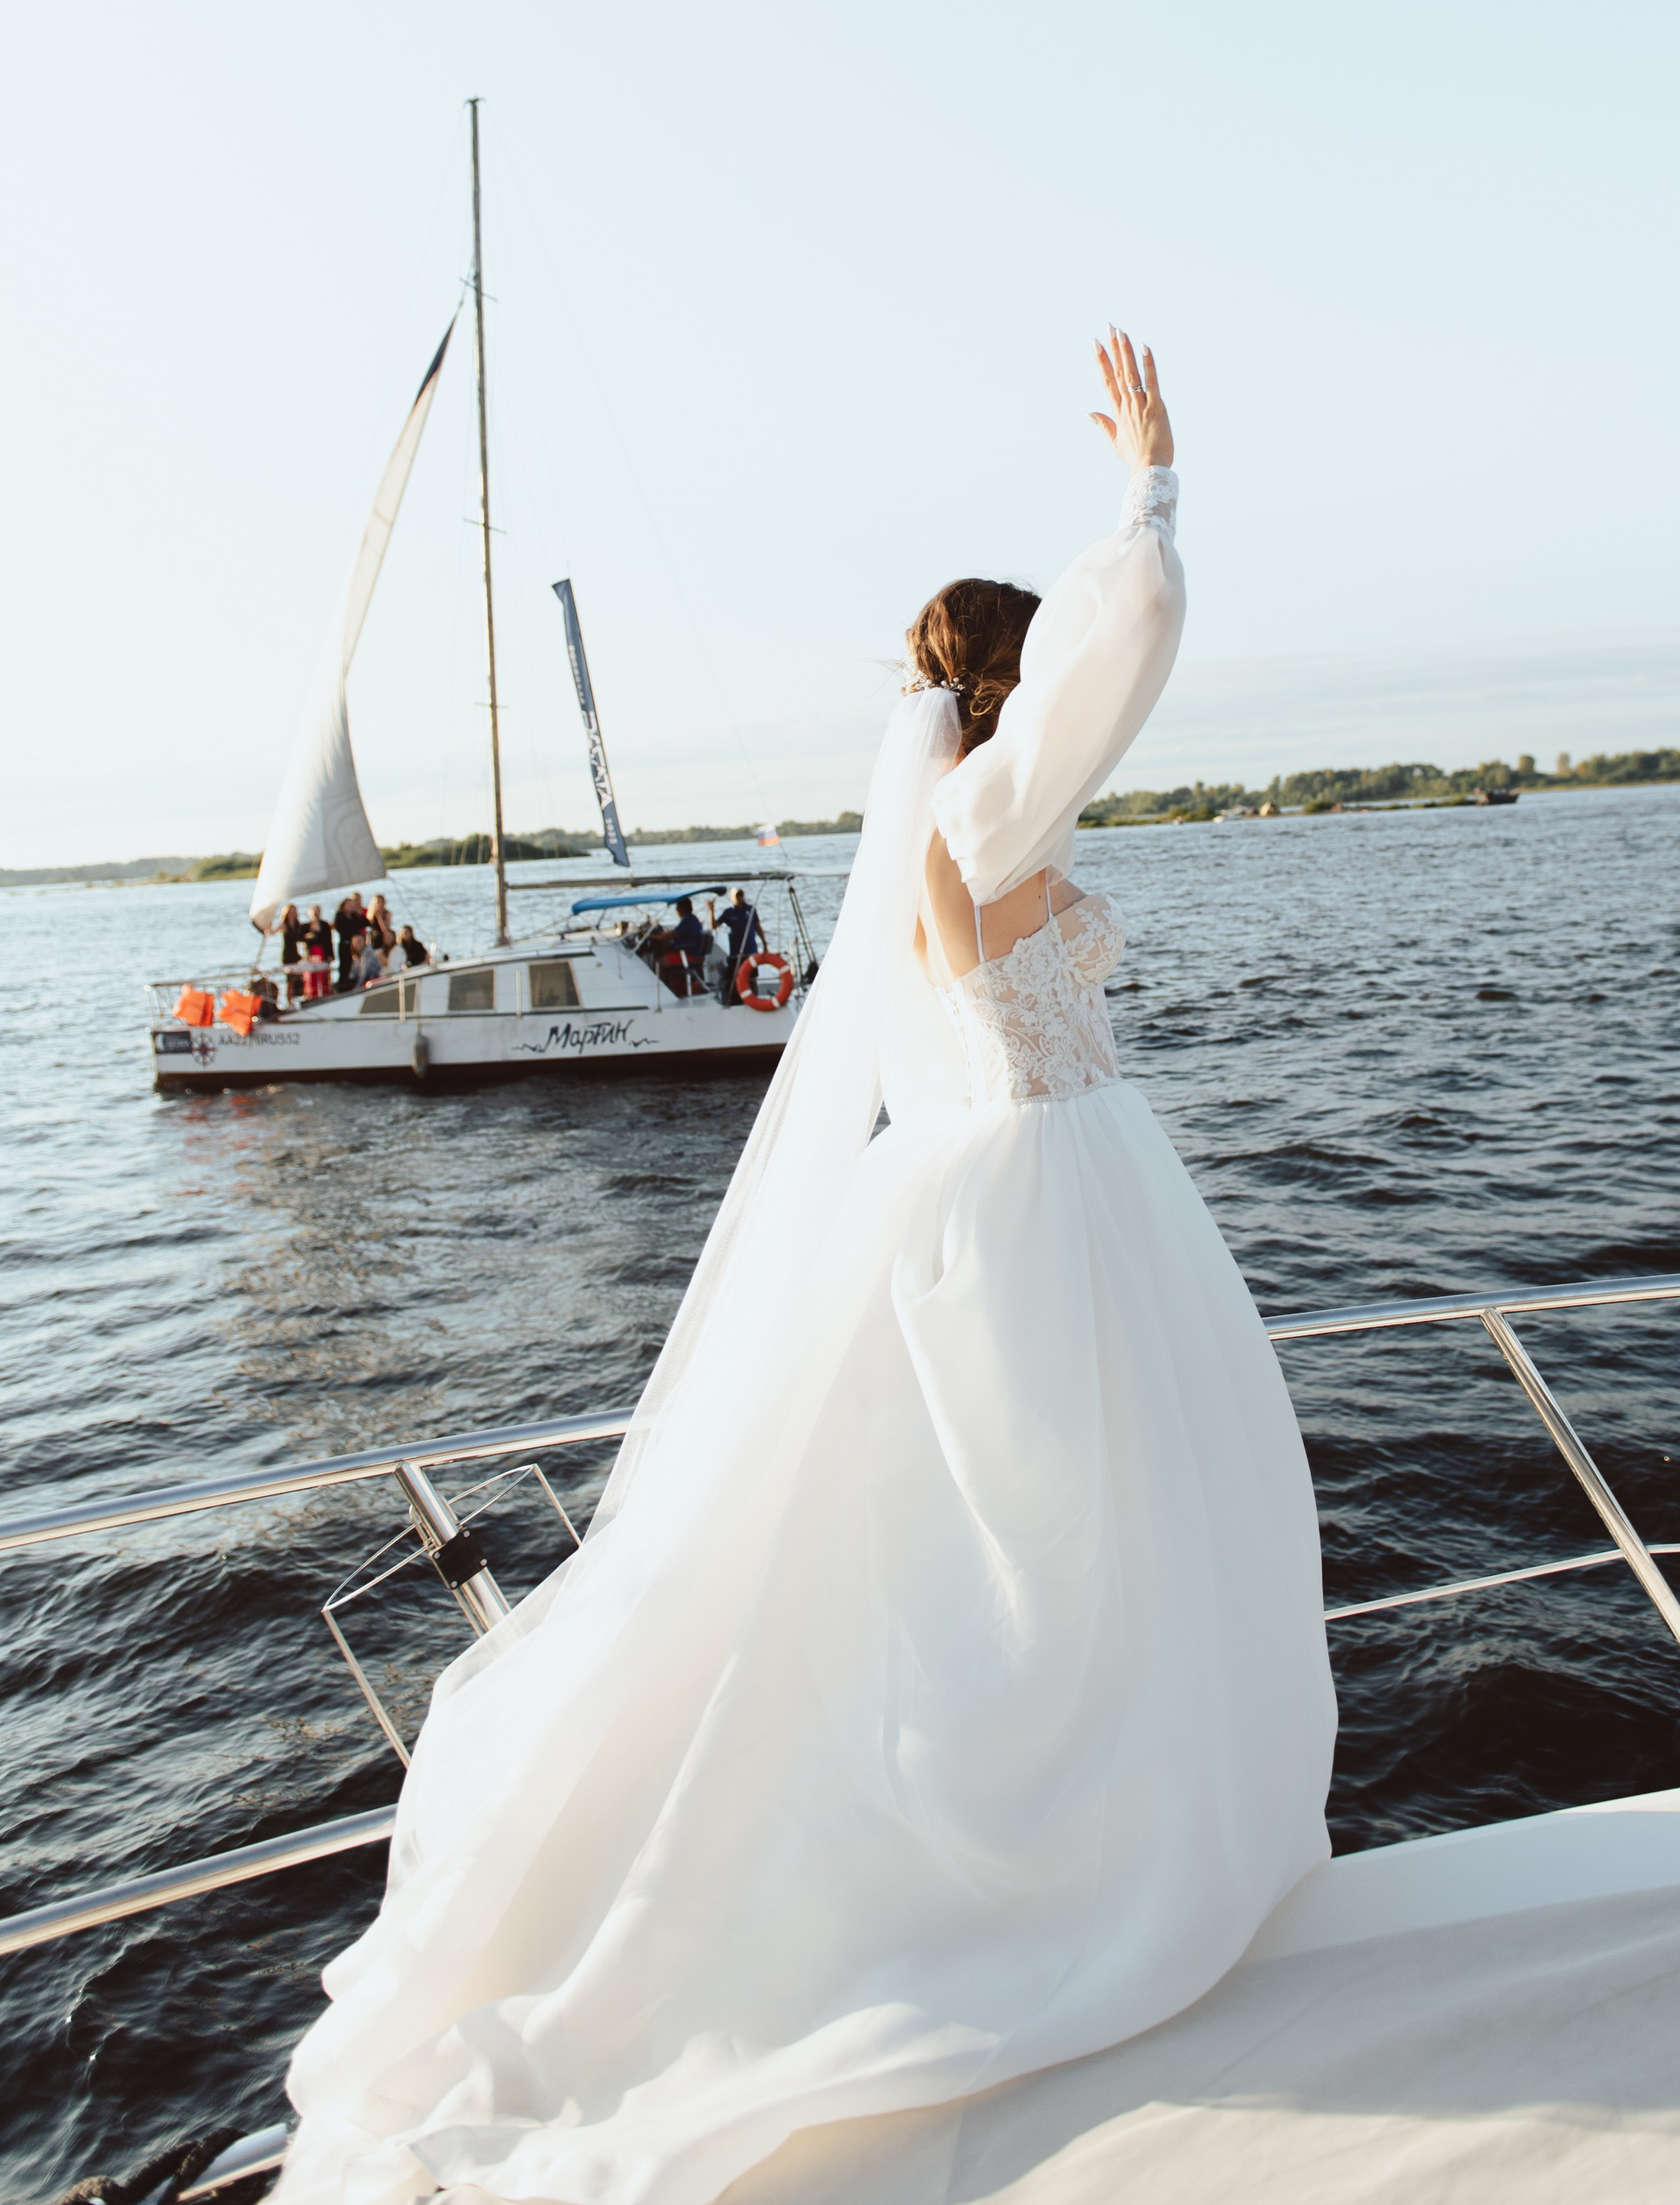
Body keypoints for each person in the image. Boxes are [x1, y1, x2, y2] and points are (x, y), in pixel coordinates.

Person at [277, 332, 1335, 2205]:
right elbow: (1112, 685)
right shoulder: (978, 820)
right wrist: (1147, 499)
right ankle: (1058, 1864)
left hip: (1024, 1184)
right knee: (1067, 1531)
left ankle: (1069, 1833)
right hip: (1040, 1188)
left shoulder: (976, 815)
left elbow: (1074, 733)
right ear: (1016, 687)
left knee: (1051, 1533)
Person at [333, 895, 367, 993]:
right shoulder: (340, 916)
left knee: (356, 965)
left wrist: (360, 914)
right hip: (345, 944)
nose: (351, 907)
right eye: (349, 905)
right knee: (345, 965)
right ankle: (343, 987)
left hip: (356, 944)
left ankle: (354, 984)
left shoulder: (354, 916)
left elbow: (366, 923)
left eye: (352, 905)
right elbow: (341, 928)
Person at [299, 911, 333, 1000]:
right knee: (311, 975)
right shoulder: (305, 926)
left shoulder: (324, 925)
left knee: (323, 974)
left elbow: (329, 940)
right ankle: (312, 995)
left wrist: (331, 955)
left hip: (322, 951)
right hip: (311, 952)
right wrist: (307, 936)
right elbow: (300, 938)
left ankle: (326, 993)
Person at [278, 905, 305, 1008]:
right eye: (290, 912)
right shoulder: (284, 925)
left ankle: (298, 997)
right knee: (290, 980)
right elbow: (273, 931)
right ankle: (289, 1002)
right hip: (287, 954)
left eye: (294, 911)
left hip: (295, 953)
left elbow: (301, 939)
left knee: (298, 977)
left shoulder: (297, 924)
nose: (292, 914)